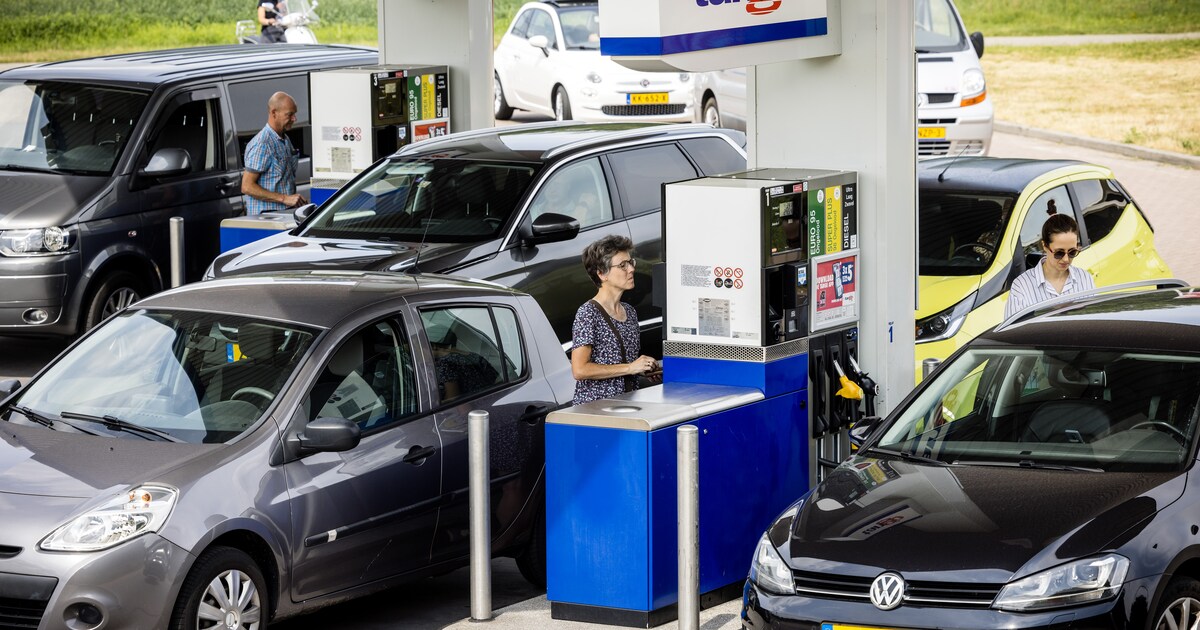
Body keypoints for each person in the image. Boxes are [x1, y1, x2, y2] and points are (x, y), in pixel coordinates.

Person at [571, 235, 656, 405]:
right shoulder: (588, 313)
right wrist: (630, 367)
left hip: (627, 407)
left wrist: (642, 369)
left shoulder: (630, 312)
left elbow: (621, 365)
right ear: (602, 274)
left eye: (631, 262)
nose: (631, 269)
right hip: (596, 412)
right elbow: (579, 370)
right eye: (622, 265)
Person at [1004, 213, 1095, 318]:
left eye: (1072, 252)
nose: (1066, 259)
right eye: (1059, 253)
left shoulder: (1085, 279)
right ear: (1045, 246)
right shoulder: (1021, 286)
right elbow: (1014, 333)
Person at [241, 91, 306, 215]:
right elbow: (247, 186)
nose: (294, 119)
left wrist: (295, 201)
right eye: (290, 114)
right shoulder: (262, 144)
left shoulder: (285, 140)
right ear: (274, 113)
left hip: (282, 216)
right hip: (266, 219)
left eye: (294, 114)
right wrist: (284, 198)